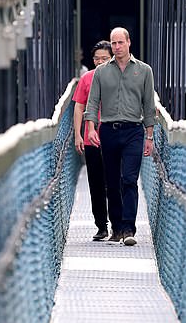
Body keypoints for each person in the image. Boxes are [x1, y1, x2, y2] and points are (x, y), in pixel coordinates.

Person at [85, 27, 156, 246]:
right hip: (108, 130)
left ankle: (128, 228)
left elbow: (149, 105)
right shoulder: (101, 72)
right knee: (112, 181)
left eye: (120, 43)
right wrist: (90, 129)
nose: (116, 47)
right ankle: (116, 227)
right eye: (113, 44)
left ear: (129, 43)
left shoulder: (144, 71)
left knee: (129, 179)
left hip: (134, 131)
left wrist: (150, 136)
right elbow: (93, 102)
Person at [72, 40, 113, 240]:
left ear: (112, 58)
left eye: (104, 58)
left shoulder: (119, 78)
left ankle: (118, 223)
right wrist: (78, 134)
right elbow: (78, 107)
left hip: (113, 136)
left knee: (114, 182)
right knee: (96, 183)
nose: (100, 62)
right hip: (91, 138)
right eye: (97, 58)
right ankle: (101, 226)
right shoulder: (86, 79)